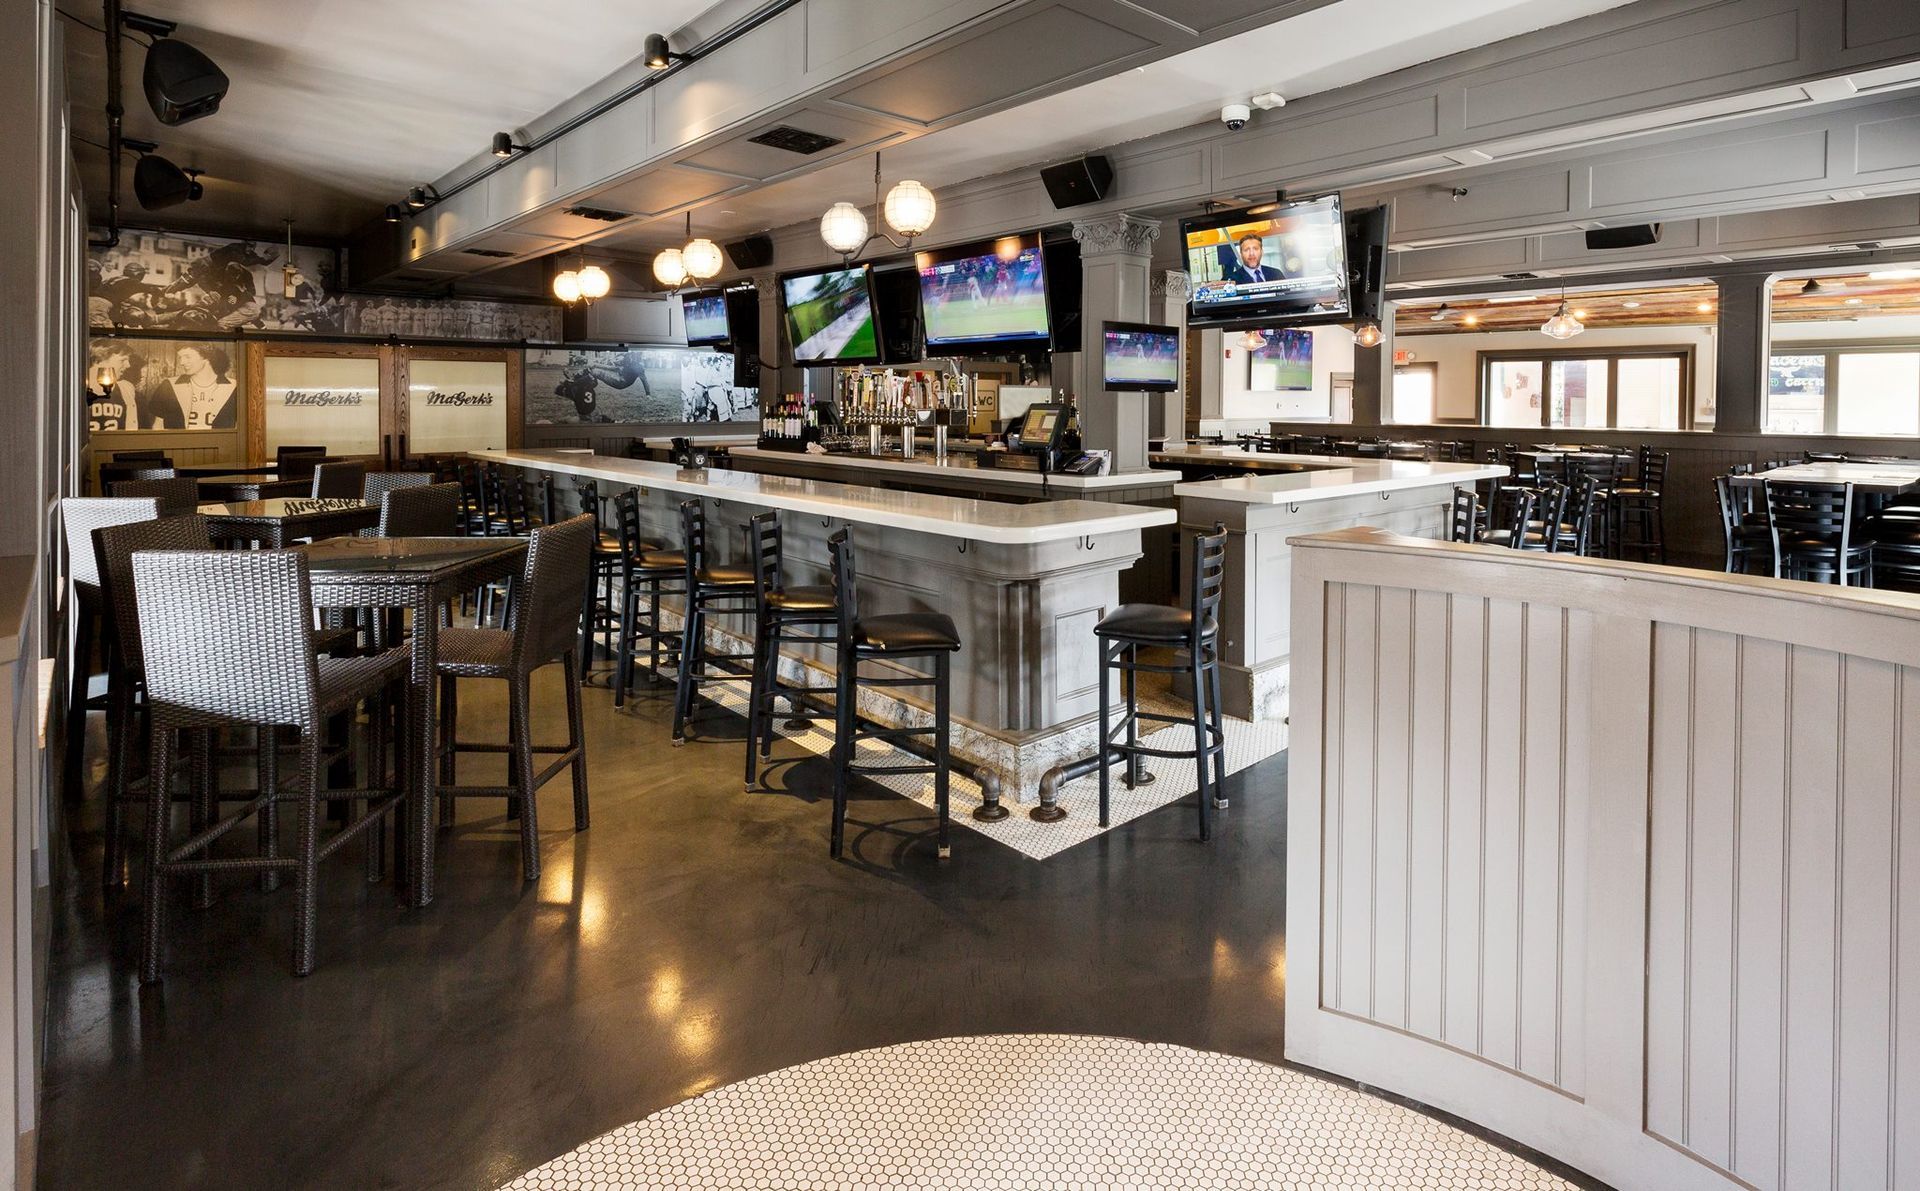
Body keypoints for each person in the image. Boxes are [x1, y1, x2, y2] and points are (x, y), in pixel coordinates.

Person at [168, 343, 238, 429]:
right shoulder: (169, 385)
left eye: (187, 356)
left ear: (206, 356)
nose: (182, 362)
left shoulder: (235, 388)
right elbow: (158, 426)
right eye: (180, 357)